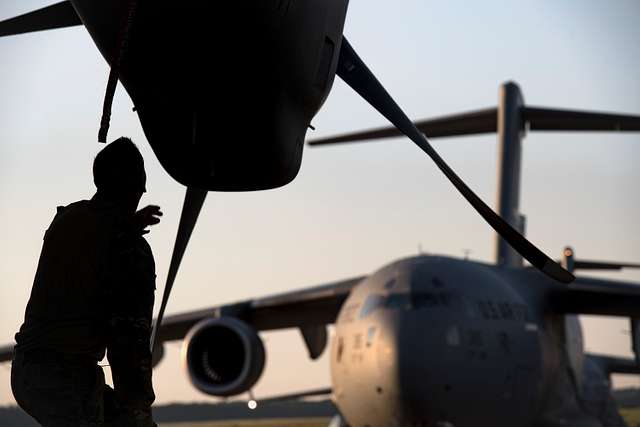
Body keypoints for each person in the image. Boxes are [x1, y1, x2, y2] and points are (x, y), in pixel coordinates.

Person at [10, 137, 162, 427]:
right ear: (136, 189)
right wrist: (139, 411)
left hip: (29, 371)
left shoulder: (68, 220)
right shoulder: (127, 248)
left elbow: (95, 232)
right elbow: (129, 344)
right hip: (64, 378)